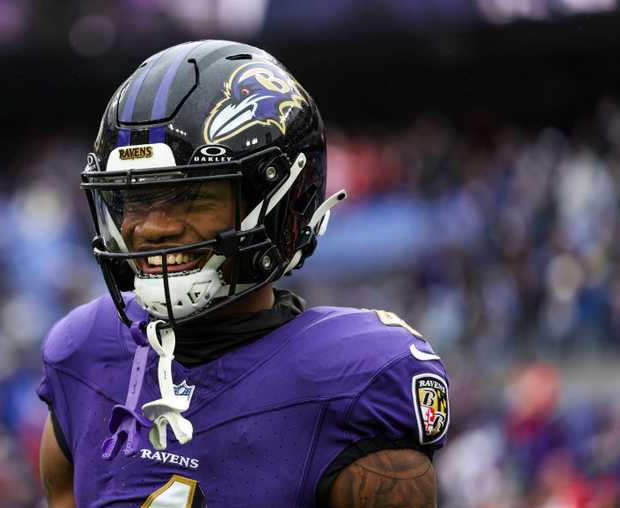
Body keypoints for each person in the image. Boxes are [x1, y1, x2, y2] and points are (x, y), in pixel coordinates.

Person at [38, 40, 449, 507]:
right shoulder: (84, 353)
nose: (152, 227)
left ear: (281, 202)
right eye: (135, 198)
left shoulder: (353, 383)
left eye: (192, 197)